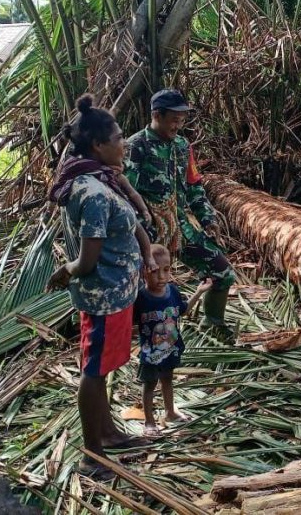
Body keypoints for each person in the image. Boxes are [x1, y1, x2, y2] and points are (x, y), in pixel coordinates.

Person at [47, 94, 154, 478]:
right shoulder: (90, 192)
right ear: (98, 144)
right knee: (93, 372)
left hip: (117, 293)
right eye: (119, 136)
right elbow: (87, 259)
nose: (124, 142)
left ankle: (107, 432)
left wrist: (147, 250)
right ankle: (93, 454)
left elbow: (127, 221)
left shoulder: (101, 179)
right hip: (103, 297)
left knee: (103, 369)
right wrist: (67, 269)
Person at [124, 88, 237, 332]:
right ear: (157, 115)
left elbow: (194, 186)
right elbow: (125, 196)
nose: (179, 124)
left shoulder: (183, 146)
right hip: (147, 232)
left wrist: (207, 218)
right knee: (134, 286)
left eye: (182, 119)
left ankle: (213, 323)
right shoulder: (136, 146)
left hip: (180, 225)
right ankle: (137, 331)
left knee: (222, 272)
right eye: (174, 118)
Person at [135, 243, 212, 437]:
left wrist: (200, 291)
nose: (162, 277)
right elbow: (127, 322)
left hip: (171, 348)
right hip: (150, 353)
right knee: (150, 385)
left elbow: (183, 310)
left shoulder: (173, 292)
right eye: (154, 271)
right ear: (144, 271)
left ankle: (170, 412)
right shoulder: (140, 298)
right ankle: (149, 421)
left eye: (167, 270)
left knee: (168, 379)